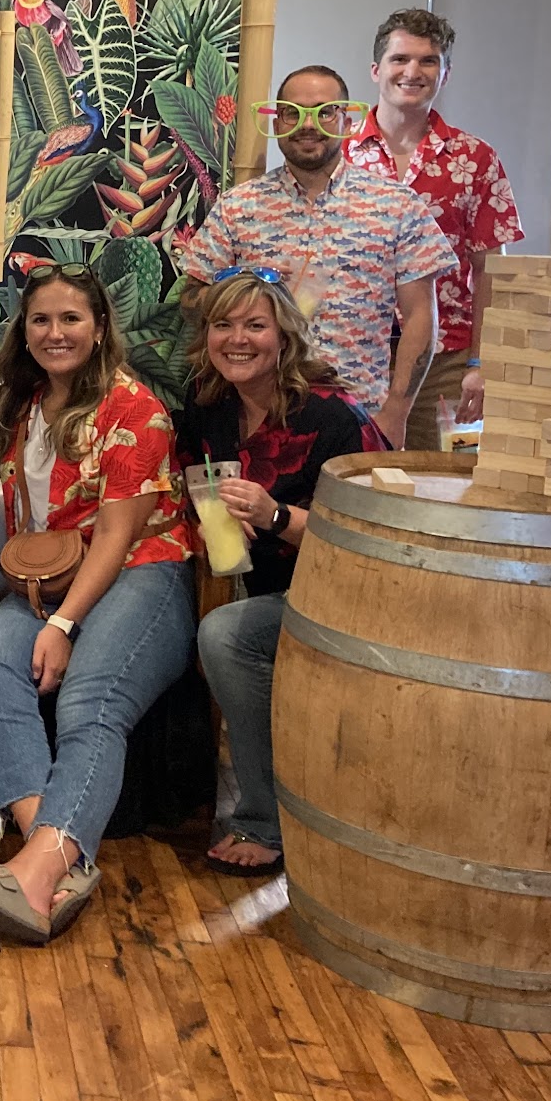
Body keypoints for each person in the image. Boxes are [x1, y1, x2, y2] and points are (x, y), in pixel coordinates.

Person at [0, 264, 196, 943]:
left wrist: (64, 625)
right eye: (40, 319)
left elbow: (118, 537)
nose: (55, 332)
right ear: (24, 331)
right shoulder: (23, 407)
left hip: (142, 573)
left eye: (71, 318)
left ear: (99, 329)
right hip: (53, 579)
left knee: (90, 703)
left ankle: (33, 872)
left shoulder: (135, 410)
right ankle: (54, 863)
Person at [175, 271, 388, 878]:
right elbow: (190, 483)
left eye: (255, 325)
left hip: (352, 597)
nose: (237, 339)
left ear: (285, 336)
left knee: (226, 635)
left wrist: (275, 517)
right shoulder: (209, 405)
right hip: (274, 592)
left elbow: (373, 538)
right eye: (223, 324)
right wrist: (208, 520)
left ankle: (266, 820)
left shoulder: (335, 416)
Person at [176, 65, 454, 448]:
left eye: (324, 111)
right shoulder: (237, 207)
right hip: (258, 422)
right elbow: (191, 301)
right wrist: (246, 285)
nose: (308, 124)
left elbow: (421, 315)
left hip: (361, 418)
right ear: (276, 122)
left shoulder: (397, 206)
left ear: (346, 121)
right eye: (292, 112)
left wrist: (395, 413)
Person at [344, 8, 524, 449]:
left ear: (445, 74)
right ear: (376, 70)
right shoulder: (339, 152)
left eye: (428, 61)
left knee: (440, 476)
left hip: (445, 360)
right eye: (400, 59)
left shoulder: (475, 158)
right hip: (351, 351)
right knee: (348, 472)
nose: (413, 71)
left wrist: (481, 362)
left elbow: (490, 272)